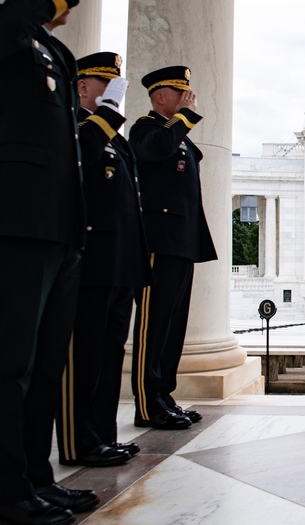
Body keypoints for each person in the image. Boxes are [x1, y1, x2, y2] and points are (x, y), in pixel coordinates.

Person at [0, 0, 98, 525]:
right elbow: (13, 21)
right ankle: (6, 494)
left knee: (45, 366)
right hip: (17, 219)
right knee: (9, 364)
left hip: (57, 225)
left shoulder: (53, 51)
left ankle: (37, 479)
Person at [56, 52, 150, 467]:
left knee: (110, 354)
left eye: (117, 88)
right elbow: (77, 163)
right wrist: (107, 115)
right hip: (91, 262)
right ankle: (79, 441)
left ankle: (102, 435)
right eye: (105, 86)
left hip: (119, 264)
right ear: (82, 87)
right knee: (85, 356)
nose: (114, 94)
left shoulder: (113, 138)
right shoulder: (76, 128)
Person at [130, 66, 217, 430]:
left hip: (180, 242)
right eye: (179, 92)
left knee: (172, 326)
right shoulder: (145, 129)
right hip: (157, 242)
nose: (187, 97)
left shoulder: (176, 136)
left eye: (187, 92)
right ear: (159, 96)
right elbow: (156, 150)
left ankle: (164, 395)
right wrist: (184, 118)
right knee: (153, 326)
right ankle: (147, 404)